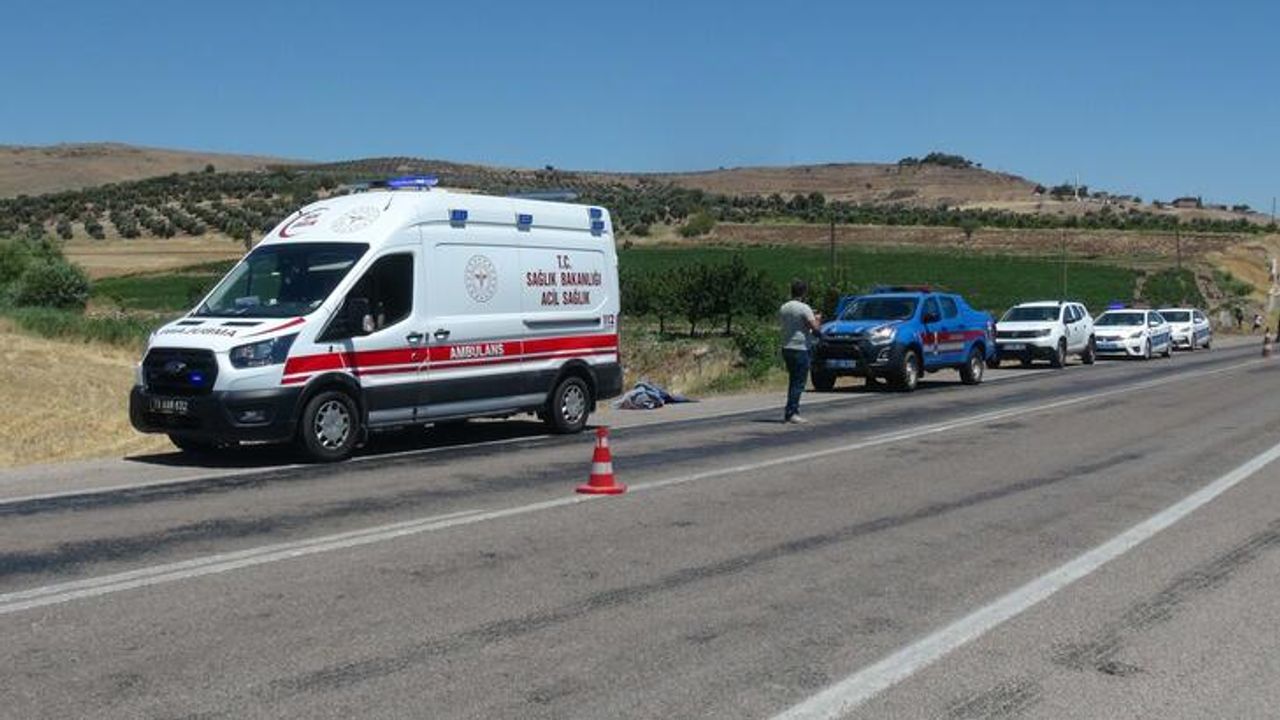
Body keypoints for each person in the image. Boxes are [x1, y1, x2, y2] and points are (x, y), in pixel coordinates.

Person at [779, 279, 822, 424]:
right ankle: (792, 412)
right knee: (799, 382)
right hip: (800, 347)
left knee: (793, 380)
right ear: (804, 292)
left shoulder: (784, 307)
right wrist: (817, 319)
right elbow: (815, 329)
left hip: (787, 346)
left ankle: (790, 409)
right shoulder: (804, 308)